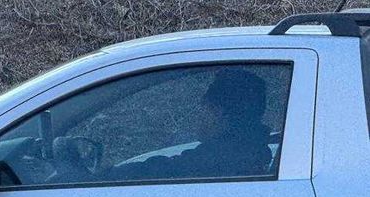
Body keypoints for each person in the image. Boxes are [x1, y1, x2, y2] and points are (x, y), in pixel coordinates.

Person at [105, 69, 273, 182]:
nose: (198, 117)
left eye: (203, 108)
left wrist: (109, 175)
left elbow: (166, 170)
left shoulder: (219, 158)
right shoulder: (250, 149)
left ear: (218, 112)